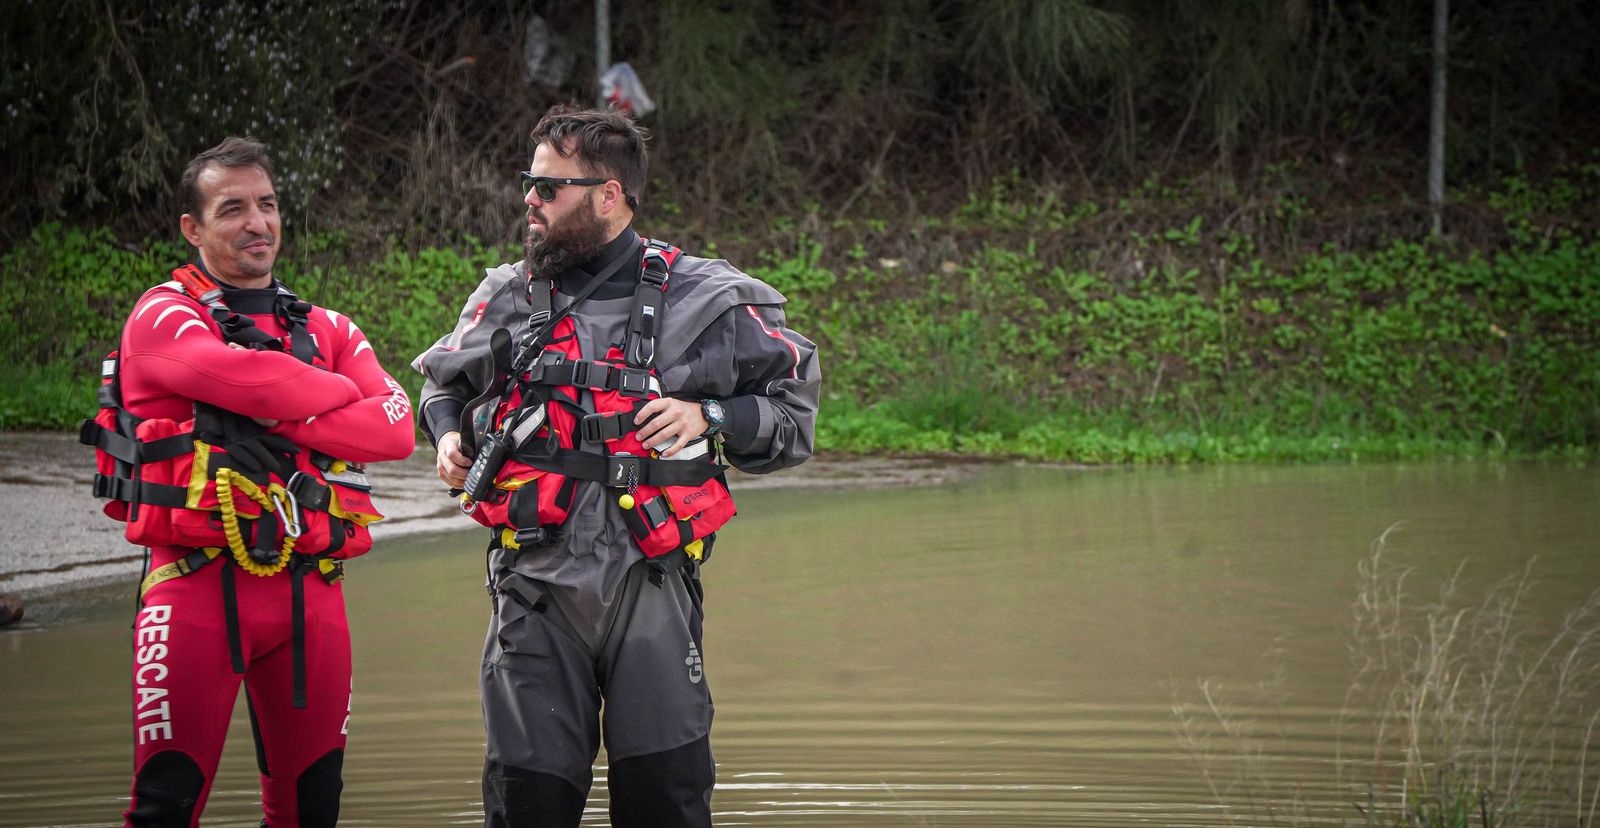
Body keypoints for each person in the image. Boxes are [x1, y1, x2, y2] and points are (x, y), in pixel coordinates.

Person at [413, 105, 819, 826]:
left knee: (666, 800)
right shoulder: (507, 294)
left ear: (609, 194)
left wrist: (712, 415)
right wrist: (447, 436)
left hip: (652, 587)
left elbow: (794, 418)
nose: (528, 200)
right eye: (528, 184)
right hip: (534, 589)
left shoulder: (712, 300)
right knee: (527, 803)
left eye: (548, 187)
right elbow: (442, 383)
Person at [83, 137, 416, 827]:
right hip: (194, 592)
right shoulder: (161, 314)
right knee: (164, 809)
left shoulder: (327, 326)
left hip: (312, 598)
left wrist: (274, 414)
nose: (256, 222)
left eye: (266, 205)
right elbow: (247, 378)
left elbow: (394, 428)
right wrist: (327, 400)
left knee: (311, 811)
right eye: (231, 208)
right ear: (193, 229)